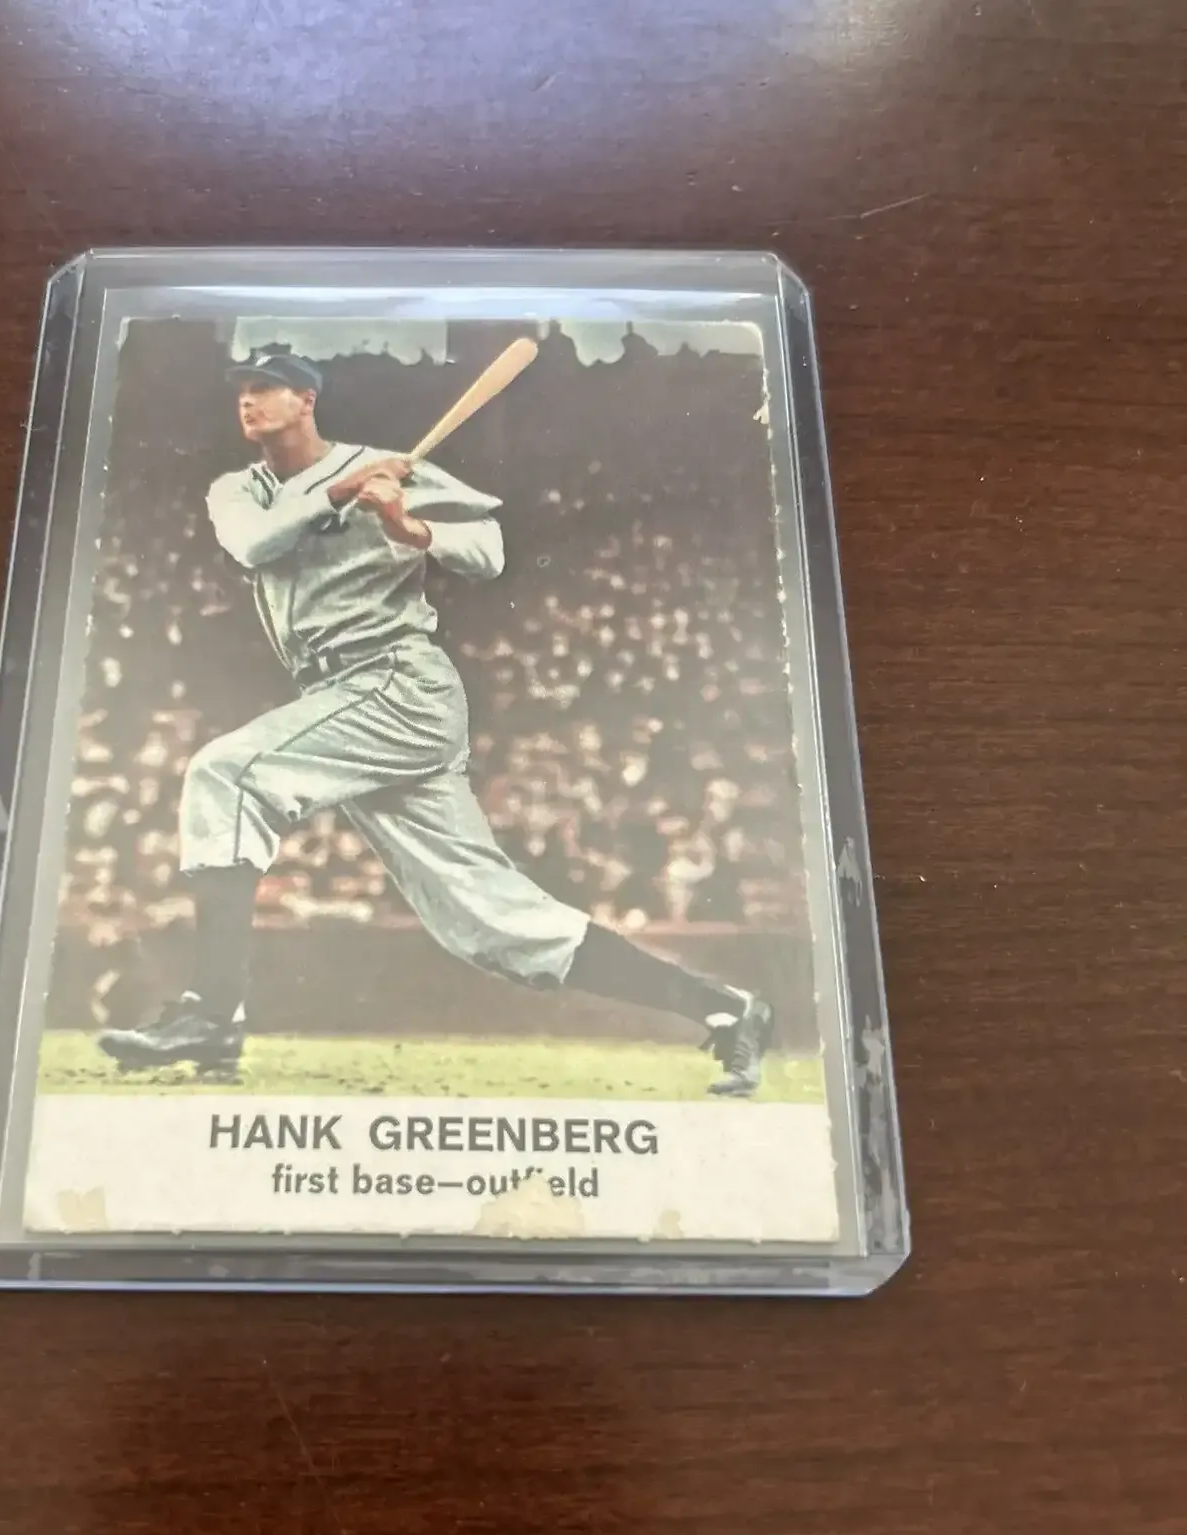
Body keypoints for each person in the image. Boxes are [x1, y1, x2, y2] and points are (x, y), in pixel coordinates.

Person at [97, 351, 772, 1096]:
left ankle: (212, 1014)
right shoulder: (239, 490)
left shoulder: (392, 469)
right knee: (491, 922)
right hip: (344, 696)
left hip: (396, 683)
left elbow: (488, 552)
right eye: (242, 390)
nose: (248, 401)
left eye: (266, 388)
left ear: (307, 399)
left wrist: (407, 524)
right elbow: (251, 544)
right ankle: (726, 1007)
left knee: (227, 774)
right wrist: (339, 493)